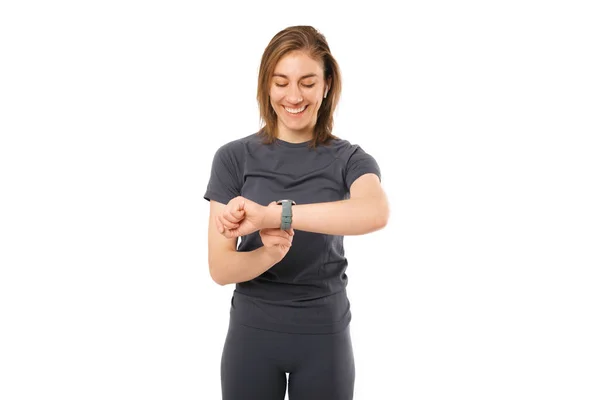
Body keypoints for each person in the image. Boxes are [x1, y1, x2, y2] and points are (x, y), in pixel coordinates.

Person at [204, 25, 389, 400]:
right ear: (266, 86)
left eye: (307, 82)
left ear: (326, 85)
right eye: (281, 82)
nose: (293, 96)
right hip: (252, 337)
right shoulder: (232, 158)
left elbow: (375, 211)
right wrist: (270, 251)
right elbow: (221, 270)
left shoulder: (349, 158)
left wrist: (277, 217)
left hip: (324, 337)